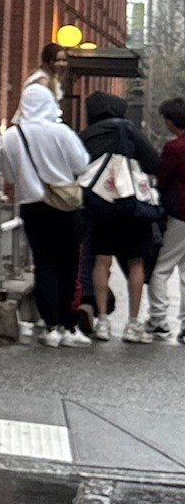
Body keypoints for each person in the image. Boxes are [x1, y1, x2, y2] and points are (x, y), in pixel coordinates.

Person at [0, 81, 91, 346]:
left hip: (32, 207)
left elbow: (9, 175)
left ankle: (50, 327)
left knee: (44, 264)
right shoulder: (60, 132)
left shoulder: (11, 137)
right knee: (69, 265)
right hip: (64, 206)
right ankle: (68, 325)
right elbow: (81, 164)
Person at [80, 91, 163, 342]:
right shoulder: (129, 130)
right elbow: (153, 162)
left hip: (101, 208)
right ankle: (133, 324)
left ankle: (102, 321)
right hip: (131, 209)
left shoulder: (88, 135)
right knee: (135, 263)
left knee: (101, 261)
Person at [146, 95, 185, 342]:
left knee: (162, 269)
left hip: (180, 213)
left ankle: (159, 320)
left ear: (172, 121)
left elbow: (163, 178)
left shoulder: (174, 148)